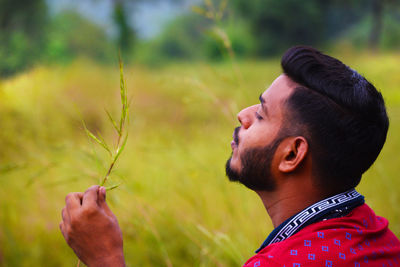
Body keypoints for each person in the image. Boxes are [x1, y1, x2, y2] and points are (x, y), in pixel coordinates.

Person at [60, 46, 400, 266]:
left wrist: (105, 258)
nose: (243, 114)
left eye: (263, 114)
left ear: (292, 154)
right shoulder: (379, 240)